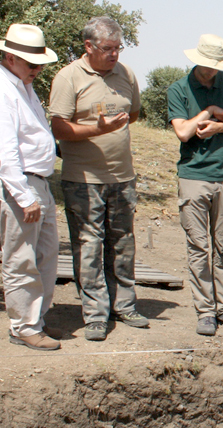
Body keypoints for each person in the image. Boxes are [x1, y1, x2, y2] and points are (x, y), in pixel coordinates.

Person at [49, 16, 147, 342]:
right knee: (89, 246)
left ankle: (125, 305)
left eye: (118, 48)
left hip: (123, 177)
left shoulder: (126, 74)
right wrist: (97, 130)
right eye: (108, 48)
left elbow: (132, 113)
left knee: (123, 243)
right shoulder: (68, 77)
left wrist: (112, 130)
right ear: (88, 46)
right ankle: (94, 314)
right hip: (83, 179)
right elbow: (59, 129)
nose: (115, 54)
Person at [0, 24, 61, 351]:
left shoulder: (20, 84)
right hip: (18, 182)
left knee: (46, 253)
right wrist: (23, 196)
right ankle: (24, 326)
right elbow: (4, 151)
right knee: (22, 257)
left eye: (39, 64)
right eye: (31, 64)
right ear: (10, 57)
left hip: (36, 181)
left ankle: (35, 319)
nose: (37, 70)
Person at [167, 34, 223, 336]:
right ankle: (205, 311)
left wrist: (221, 126)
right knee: (198, 247)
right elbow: (183, 132)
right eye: (208, 64)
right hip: (193, 176)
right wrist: (210, 110)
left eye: (216, 65)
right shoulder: (178, 89)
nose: (212, 70)